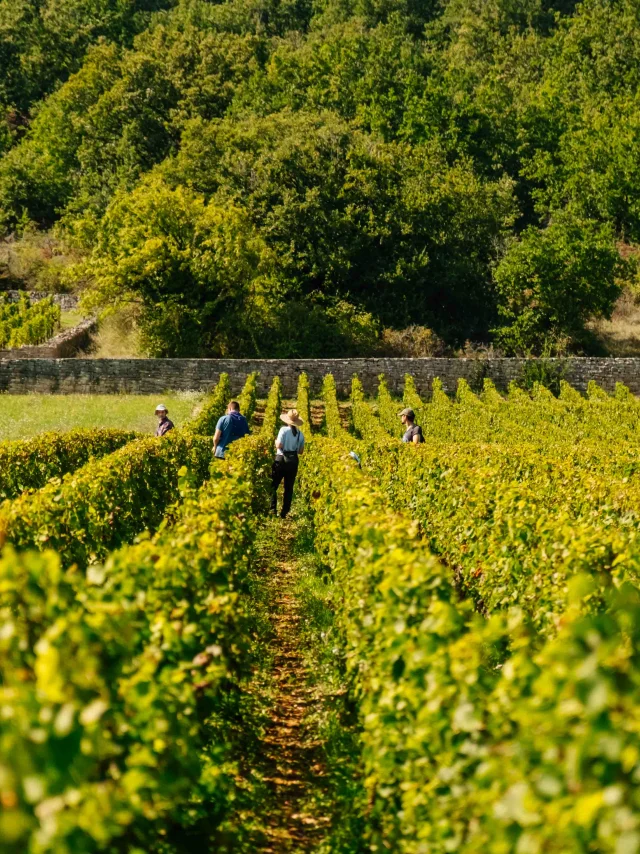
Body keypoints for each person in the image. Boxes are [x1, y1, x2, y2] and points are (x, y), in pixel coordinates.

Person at [271, 409, 305, 518]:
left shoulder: (283, 430)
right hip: (293, 461)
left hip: (281, 459)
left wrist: (276, 441)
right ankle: (284, 512)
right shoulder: (300, 434)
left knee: (273, 485)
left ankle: (272, 509)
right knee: (289, 488)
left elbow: (279, 445)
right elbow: (300, 451)